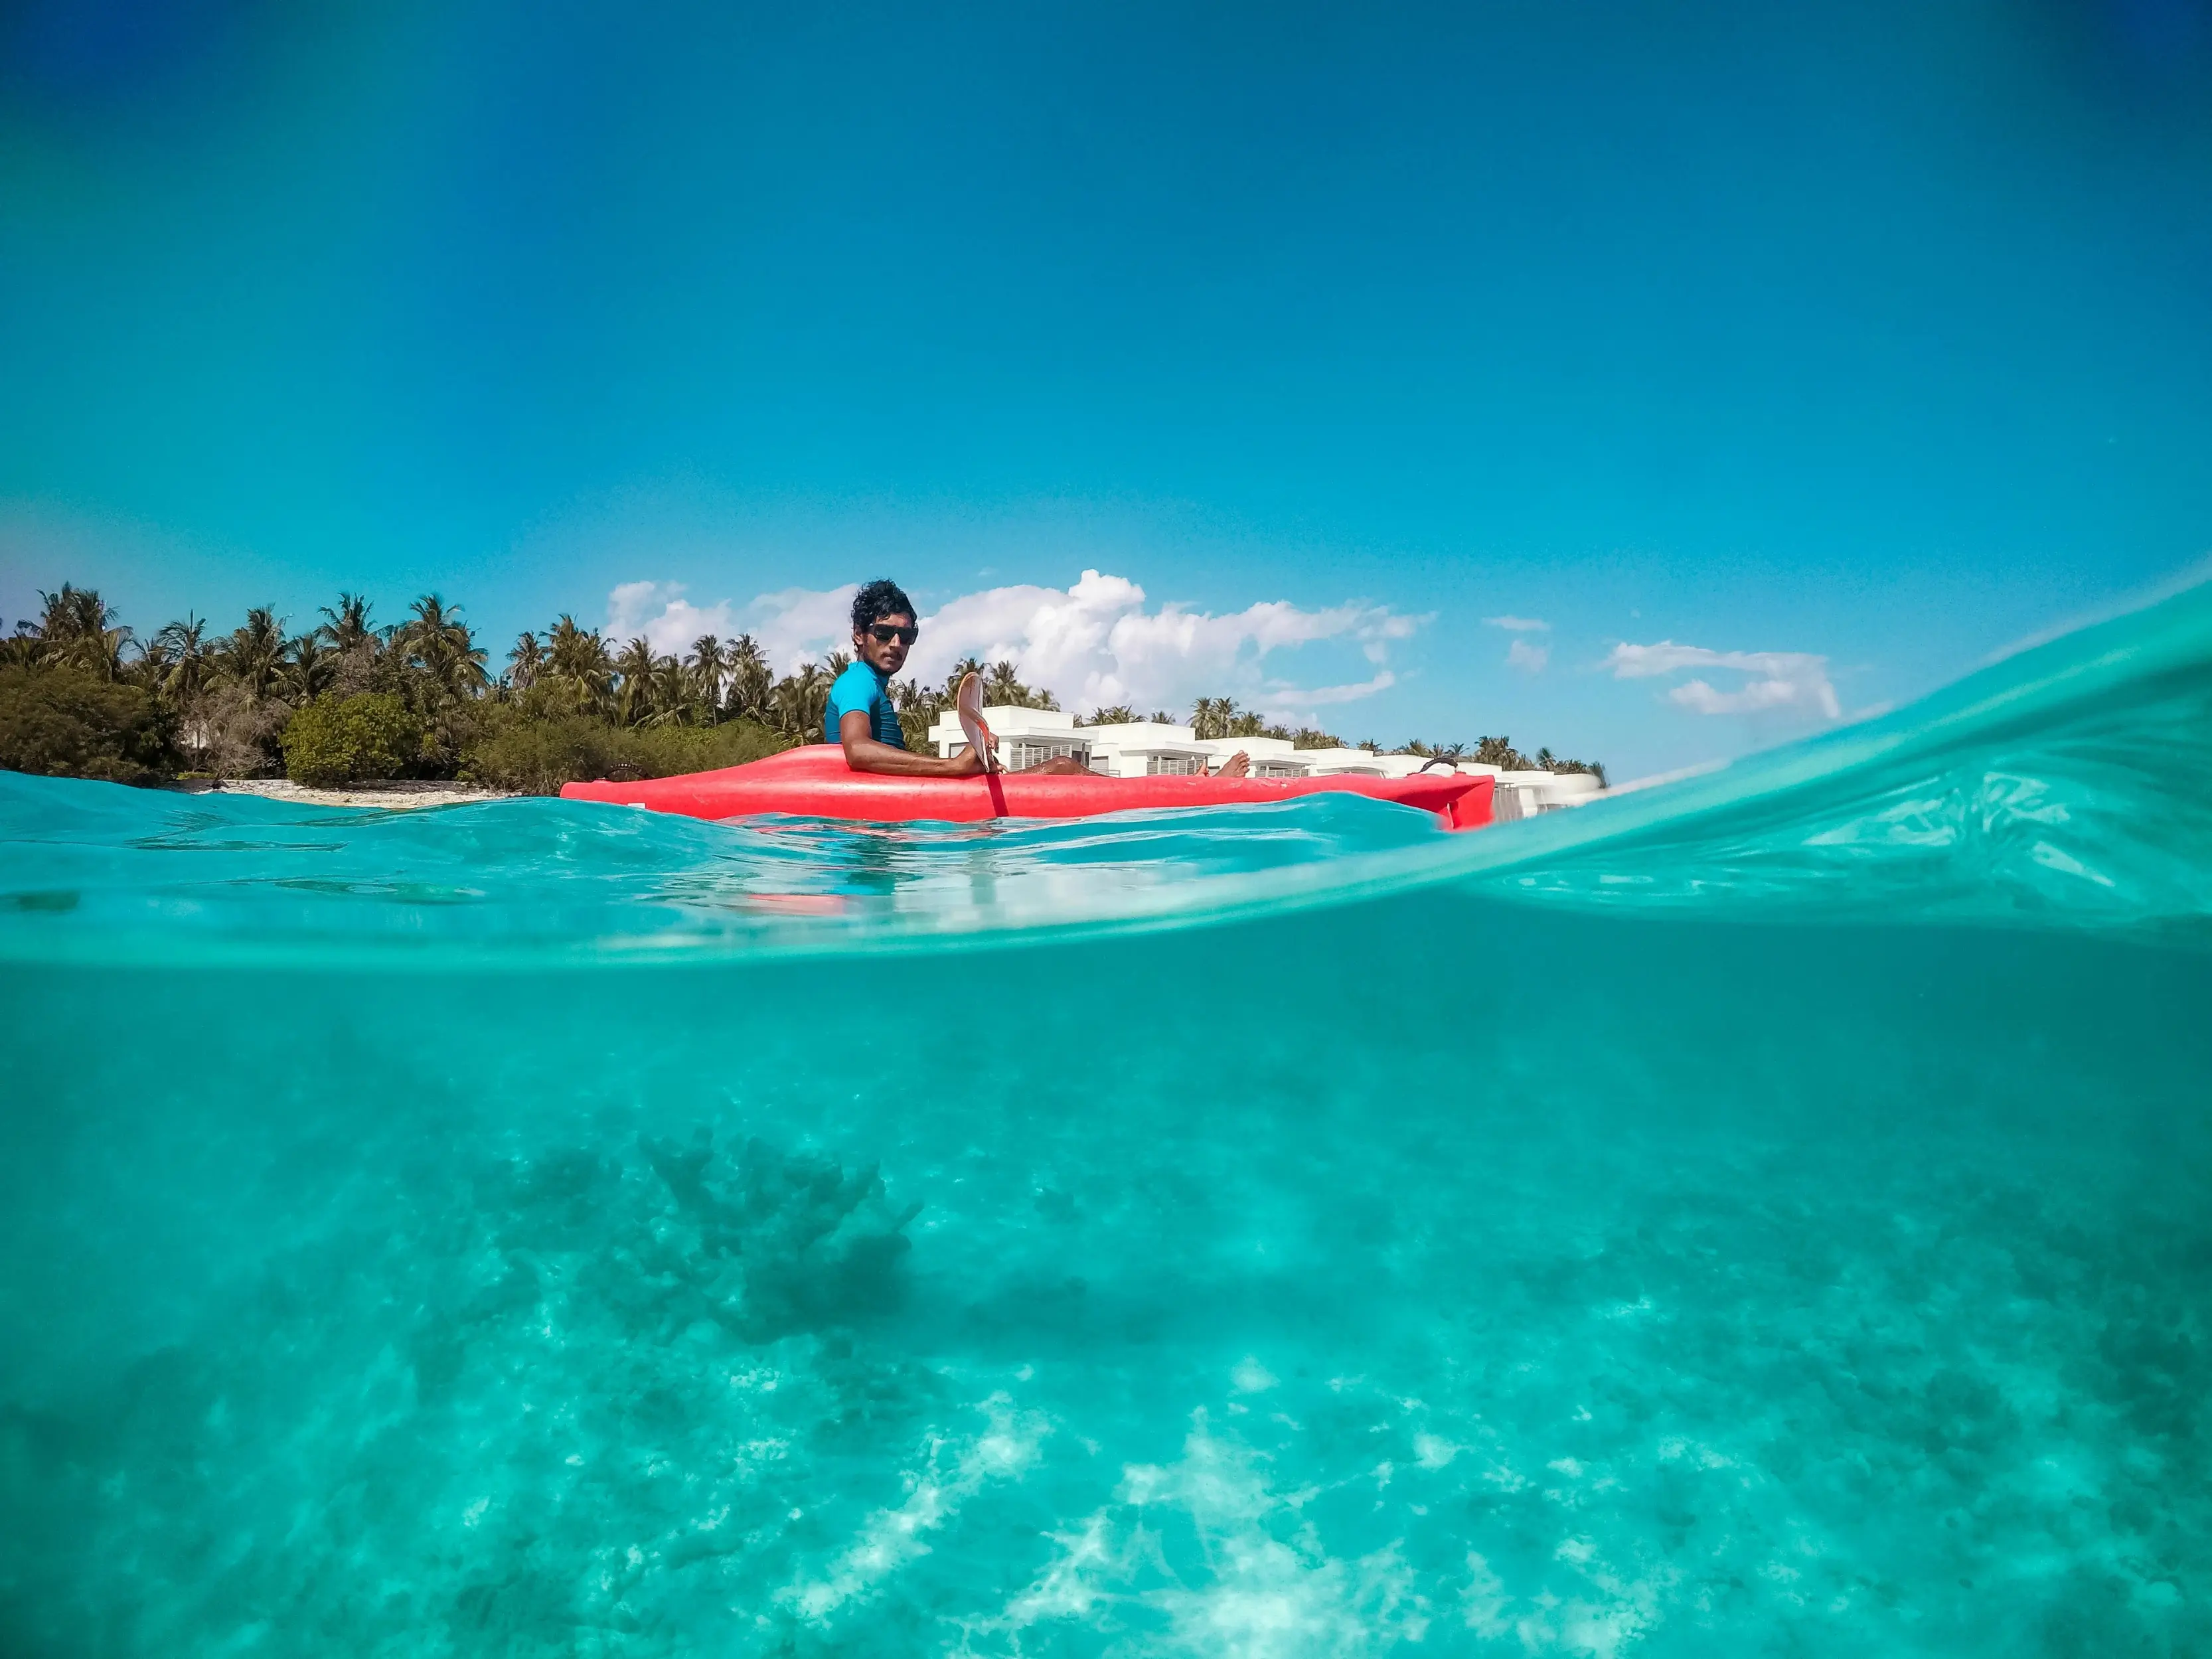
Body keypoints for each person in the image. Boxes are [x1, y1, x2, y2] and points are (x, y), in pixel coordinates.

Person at [827, 579, 1247, 777]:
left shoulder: (872, 686)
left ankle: (1180, 790)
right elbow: (858, 751)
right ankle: (1184, 795)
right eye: (884, 633)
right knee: (1064, 767)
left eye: (907, 635)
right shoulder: (855, 682)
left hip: (893, 810)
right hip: (872, 819)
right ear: (860, 636)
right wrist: (953, 768)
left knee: (1061, 766)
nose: (897, 643)